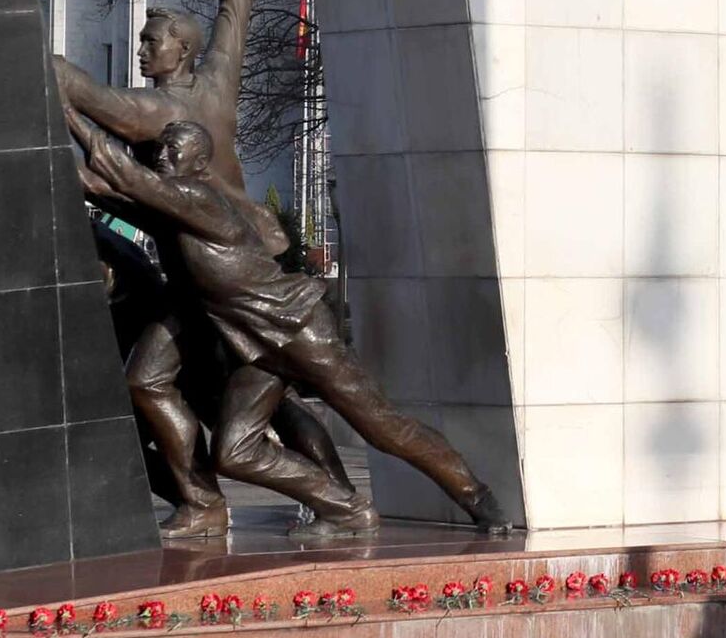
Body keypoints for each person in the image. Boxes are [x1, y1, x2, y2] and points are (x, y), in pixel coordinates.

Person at [54, 0, 351, 536]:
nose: (142, 50)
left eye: (151, 42)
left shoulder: (158, 112)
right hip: (218, 273)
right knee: (258, 396)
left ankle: (226, 500)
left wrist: (39, 63)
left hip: (220, 279)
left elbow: (88, 97)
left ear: (179, 52)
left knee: (178, 385)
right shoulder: (216, 83)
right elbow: (235, 0)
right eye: (141, 41)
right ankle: (296, 497)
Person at [67, 110, 508, 536]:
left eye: (173, 149)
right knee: (234, 451)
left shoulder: (197, 197)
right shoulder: (175, 209)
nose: (162, 155)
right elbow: (107, 188)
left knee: (382, 426)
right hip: (259, 347)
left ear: (199, 163)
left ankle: (477, 497)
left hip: (299, 328)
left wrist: (64, 111)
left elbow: (125, 176)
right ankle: (347, 510)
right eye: (161, 148)